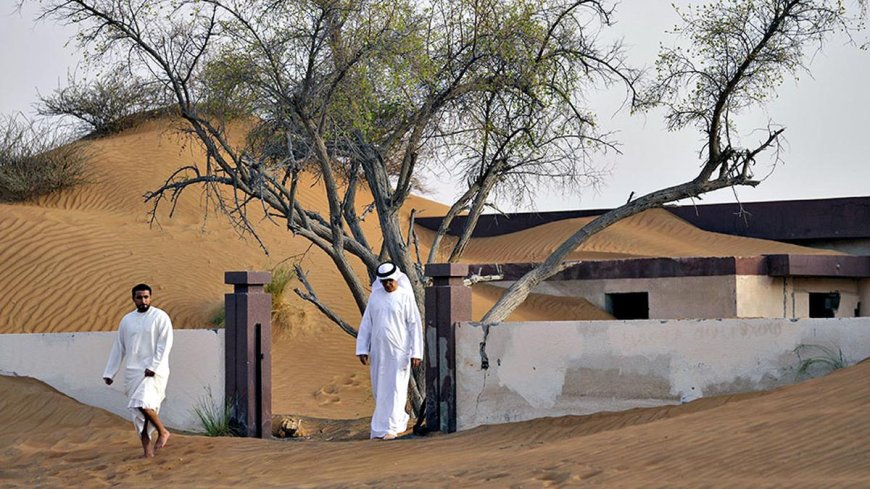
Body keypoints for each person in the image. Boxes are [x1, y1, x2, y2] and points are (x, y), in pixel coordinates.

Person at [102, 283, 174, 458]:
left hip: (153, 371)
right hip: (133, 371)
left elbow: (164, 345)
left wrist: (153, 367)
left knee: (142, 403)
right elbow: (119, 347)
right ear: (133, 298)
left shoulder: (160, 317)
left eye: (146, 297)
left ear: (151, 297)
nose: (143, 300)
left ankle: (163, 431)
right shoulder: (127, 320)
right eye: (139, 297)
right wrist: (110, 372)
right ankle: (148, 454)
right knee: (138, 416)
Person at [356, 262, 424, 440]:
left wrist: (416, 352)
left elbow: (414, 325)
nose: (388, 285)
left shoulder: (405, 297)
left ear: (397, 279)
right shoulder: (375, 297)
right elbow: (367, 323)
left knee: (396, 387)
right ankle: (380, 427)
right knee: (379, 388)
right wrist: (363, 348)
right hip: (379, 352)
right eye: (384, 281)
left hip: (399, 351)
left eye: (390, 281)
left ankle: (392, 427)